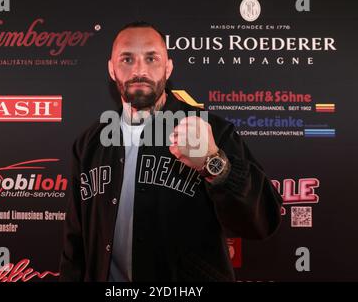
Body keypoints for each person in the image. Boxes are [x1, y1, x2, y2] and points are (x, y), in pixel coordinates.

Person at [59, 21, 283, 282]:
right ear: (112, 69)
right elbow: (75, 245)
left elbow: (263, 221)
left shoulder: (210, 130)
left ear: (168, 67)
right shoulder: (89, 145)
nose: (140, 69)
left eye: (151, 58)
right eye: (127, 59)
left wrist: (214, 162)